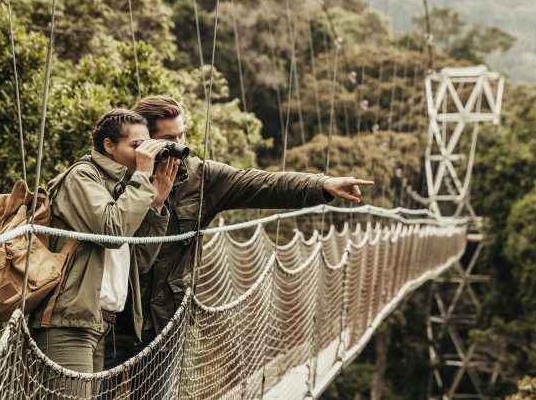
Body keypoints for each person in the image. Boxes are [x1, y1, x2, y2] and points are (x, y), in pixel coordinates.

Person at [103, 95, 373, 376]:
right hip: (113, 328)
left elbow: (264, 184)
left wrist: (323, 184)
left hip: (166, 326)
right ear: (145, 140)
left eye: (182, 134)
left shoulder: (200, 179)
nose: (181, 146)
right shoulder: (112, 178)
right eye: (169, 139)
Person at [28, 109, 180, 395]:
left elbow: (138, 261)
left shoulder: (124, 187)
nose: (143, 154)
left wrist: (157, 205)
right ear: (109, 146)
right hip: (68, 321)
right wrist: (144, 180)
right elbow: (111, 232)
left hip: (101, 324)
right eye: (136, 146)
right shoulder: (82, 177)